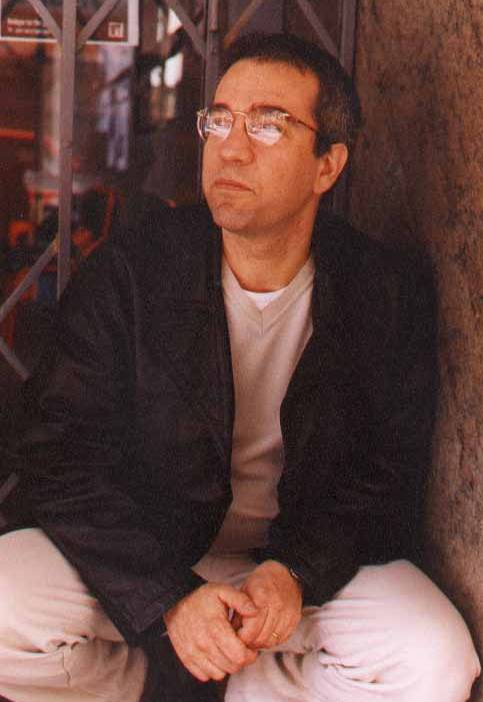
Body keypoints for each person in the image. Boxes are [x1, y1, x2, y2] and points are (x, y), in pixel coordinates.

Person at [0, 32, 479, 702]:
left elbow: (386, 471)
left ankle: (249, 689)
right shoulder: (133, 272)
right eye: (219, 119)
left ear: (327, 165)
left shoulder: (380, 290)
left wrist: (297, 572)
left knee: (433, 661)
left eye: (268, 124)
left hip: (292, 576)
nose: (231, 146)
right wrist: (166, 598)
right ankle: (147, 688)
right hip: (147, 557)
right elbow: (57, 455)